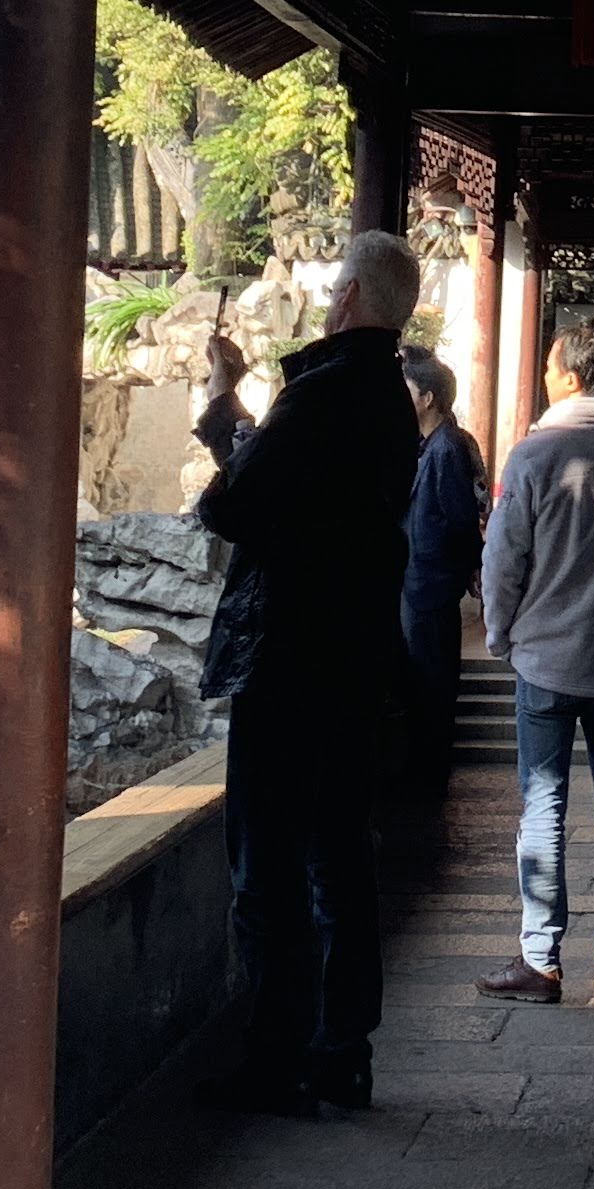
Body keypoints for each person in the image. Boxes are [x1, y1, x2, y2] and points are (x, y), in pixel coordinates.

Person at [191, 231, 423, 1116]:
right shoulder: (387, 398)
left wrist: (226, 406)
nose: (325, 300)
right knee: (337, 856)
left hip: (287, 656)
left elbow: (238, 506)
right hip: (354, 658)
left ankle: (274, 1053)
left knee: (267, 867)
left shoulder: (323, 391)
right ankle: (340, 1050)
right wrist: (238, 414)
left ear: (355, 294)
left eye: (335, 288)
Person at [478, 317, 594, 1002]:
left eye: (552, 364)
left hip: (545, 664)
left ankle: (540, 959)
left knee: (544, 807)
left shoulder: (533, 456)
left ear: (569, 375)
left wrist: (501, 635)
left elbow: (502, 563)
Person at [395, 348, 486, 794]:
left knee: (431, 683)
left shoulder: (446, 448)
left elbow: (460, 518)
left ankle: (427, 775)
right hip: (422, 580)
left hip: (430, 584)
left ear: (428, 398)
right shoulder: (431, 445)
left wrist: (468, 566)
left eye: (407, 390)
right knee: (424, 680)